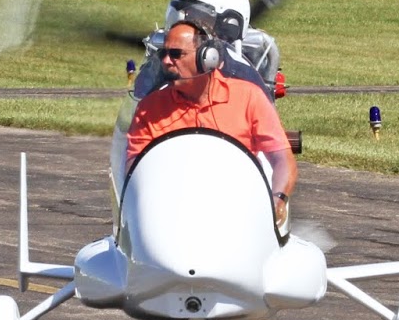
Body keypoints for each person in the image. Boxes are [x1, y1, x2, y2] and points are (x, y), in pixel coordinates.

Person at [125, 20, 298, 224]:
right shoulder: (150, 109)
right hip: (172, 217)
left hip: (238, 215)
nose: (166, 62)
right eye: (163, 54)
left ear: (207, 58)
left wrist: (278, 199)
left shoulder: (249, 97)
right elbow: (135, 171)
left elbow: (283, 160)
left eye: (175, 54)